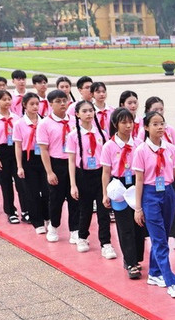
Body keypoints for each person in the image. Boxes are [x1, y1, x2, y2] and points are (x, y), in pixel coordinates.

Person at [133, 110, 175, 298]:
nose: (160, 127)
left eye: (162, 123)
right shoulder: (141, 151)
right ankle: (171, 281)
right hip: (150, 194)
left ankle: (154, 273)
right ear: (146, 127)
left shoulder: (170, 149)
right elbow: (139, 180)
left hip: (169, 192)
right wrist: (138, 208)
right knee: (160, 240)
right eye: (155, 124)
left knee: (163, 236)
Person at [101, 108, 145, 278]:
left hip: (136, 183)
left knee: (139, 224)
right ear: (115, 124)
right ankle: (130, 262)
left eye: (130, 122)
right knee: (124, 225)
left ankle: (136, 257)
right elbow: (105, 172)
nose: (128, 126)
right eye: (124, 122)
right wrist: (105, 194)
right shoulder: (109, 146)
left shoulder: (139, 144)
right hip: (118, 185)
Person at [66, 100, 113, 257]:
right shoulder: (73, 135)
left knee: (103, 210)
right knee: (84, 209)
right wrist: (73, 184)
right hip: (83, 175)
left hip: (100, 175)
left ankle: (106, 243)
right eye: (84, 111)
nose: (88, 114)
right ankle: (82, 237)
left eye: (90, 111)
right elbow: (71, 161)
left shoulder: (102, 134)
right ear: (77, 114)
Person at [37, 89, 78, 243]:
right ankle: (53, 226)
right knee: (56, 198)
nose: (62, 104)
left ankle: (74, 229)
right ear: (51, 104)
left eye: (64, 100)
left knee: (74, 197)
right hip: (56, 162)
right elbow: (44, 150)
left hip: (72, 162)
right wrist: (49, 172)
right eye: (58, 101)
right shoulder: (45, 124)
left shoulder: (74, 120)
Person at [0, 89, 27, 224]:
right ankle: (11, 211)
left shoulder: (16, 118)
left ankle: (26, 210)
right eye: (4, 99)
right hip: (1, 151)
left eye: (9, 99)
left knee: (21, 182)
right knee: (6, 183)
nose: (7, 102)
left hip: (15, 150)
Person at [13, 93, 50, 234]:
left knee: (47, 191)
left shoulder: (44, 122)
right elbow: (17, 145)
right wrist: (19, 166)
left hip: (43, 158)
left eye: (37, 103)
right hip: (28, 159)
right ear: (24, 105)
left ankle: (48, 216)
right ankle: (37, 221)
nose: (35, 107)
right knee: (32, 192)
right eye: (32, 104)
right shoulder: (19, 124)